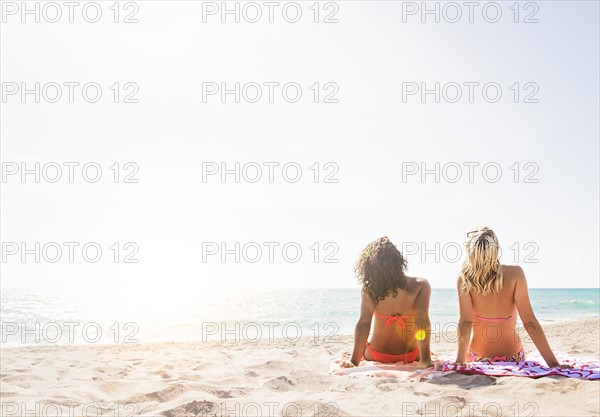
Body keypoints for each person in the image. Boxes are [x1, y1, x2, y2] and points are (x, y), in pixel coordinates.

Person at [455, 227, 569, 368]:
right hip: (514, 358)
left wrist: (460, 361)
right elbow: (529, 321)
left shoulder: (465, 278)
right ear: (496, 248)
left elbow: (465, 322)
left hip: (477, 357)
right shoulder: (516, 274)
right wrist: (553, 364)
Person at [341, 237, 432, 368]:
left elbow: (364, 323)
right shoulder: (420, 285)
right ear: (398, 262)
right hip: (410, 355)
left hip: (376, 354)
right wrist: (426, 360)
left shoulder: (369, 289)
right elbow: (421, 323)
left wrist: (354, 361)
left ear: (370, 267)